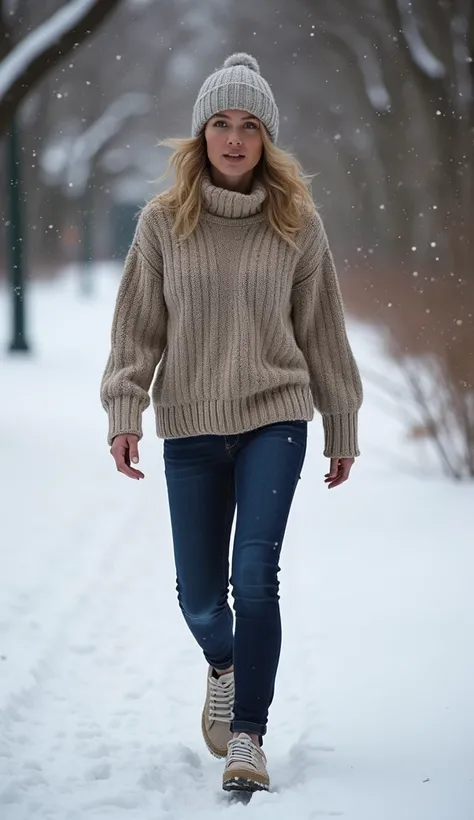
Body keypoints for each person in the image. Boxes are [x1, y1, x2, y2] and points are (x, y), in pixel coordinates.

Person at [100, 52, 363, 794]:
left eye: (250, 125)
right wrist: (125, 408)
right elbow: (136, 333)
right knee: (200, 598)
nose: (236, 137)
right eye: (222, 123)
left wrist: (340, 424)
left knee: (255, 575)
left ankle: (249, 734)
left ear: (267, 139)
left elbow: (324, 336)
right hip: (189, 424)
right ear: (201, 135)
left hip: (275, 416)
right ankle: (225, 663)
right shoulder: (162, 224)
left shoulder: (297, 225)